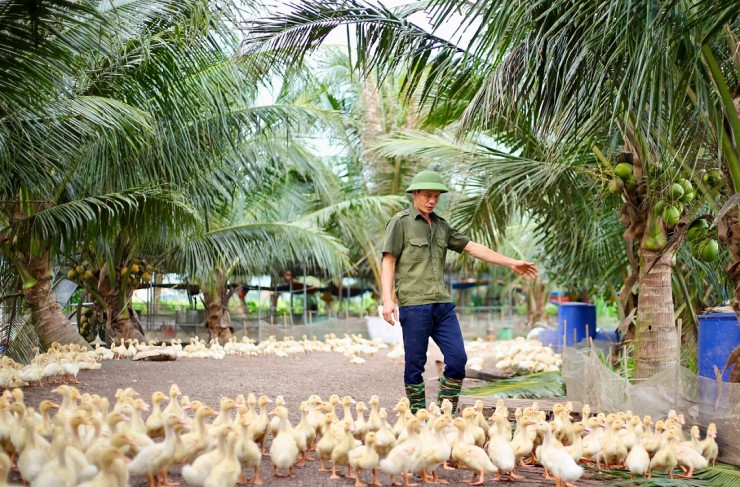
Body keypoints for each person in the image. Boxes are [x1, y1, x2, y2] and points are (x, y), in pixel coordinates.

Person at [381, 170, 538, 414]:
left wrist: (511, 262)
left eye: (436, 196)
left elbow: (473, 247)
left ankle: (446, 413)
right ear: (414, 194)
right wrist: (387, 300)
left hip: (442, 306)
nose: (432, 200)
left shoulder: (442, 226)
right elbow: (389, 260)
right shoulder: (400, 223)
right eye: (427, 195)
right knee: (415, 365)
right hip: (415, 305)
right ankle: (417, 417)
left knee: (457, 359)